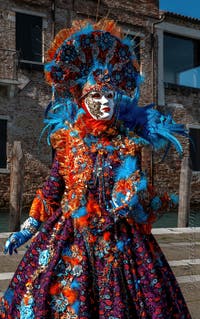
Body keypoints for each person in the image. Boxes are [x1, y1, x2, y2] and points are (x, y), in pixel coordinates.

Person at [0, 19, 191, 318]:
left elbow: (136, 193)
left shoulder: (128, 143)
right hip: (71, 235)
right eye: (97, 95)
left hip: (121, 239)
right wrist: (26, 229)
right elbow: (52, 190)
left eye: (110, 95)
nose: (105, 102)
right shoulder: (67, 140)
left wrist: (135, 197)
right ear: (81, 98)